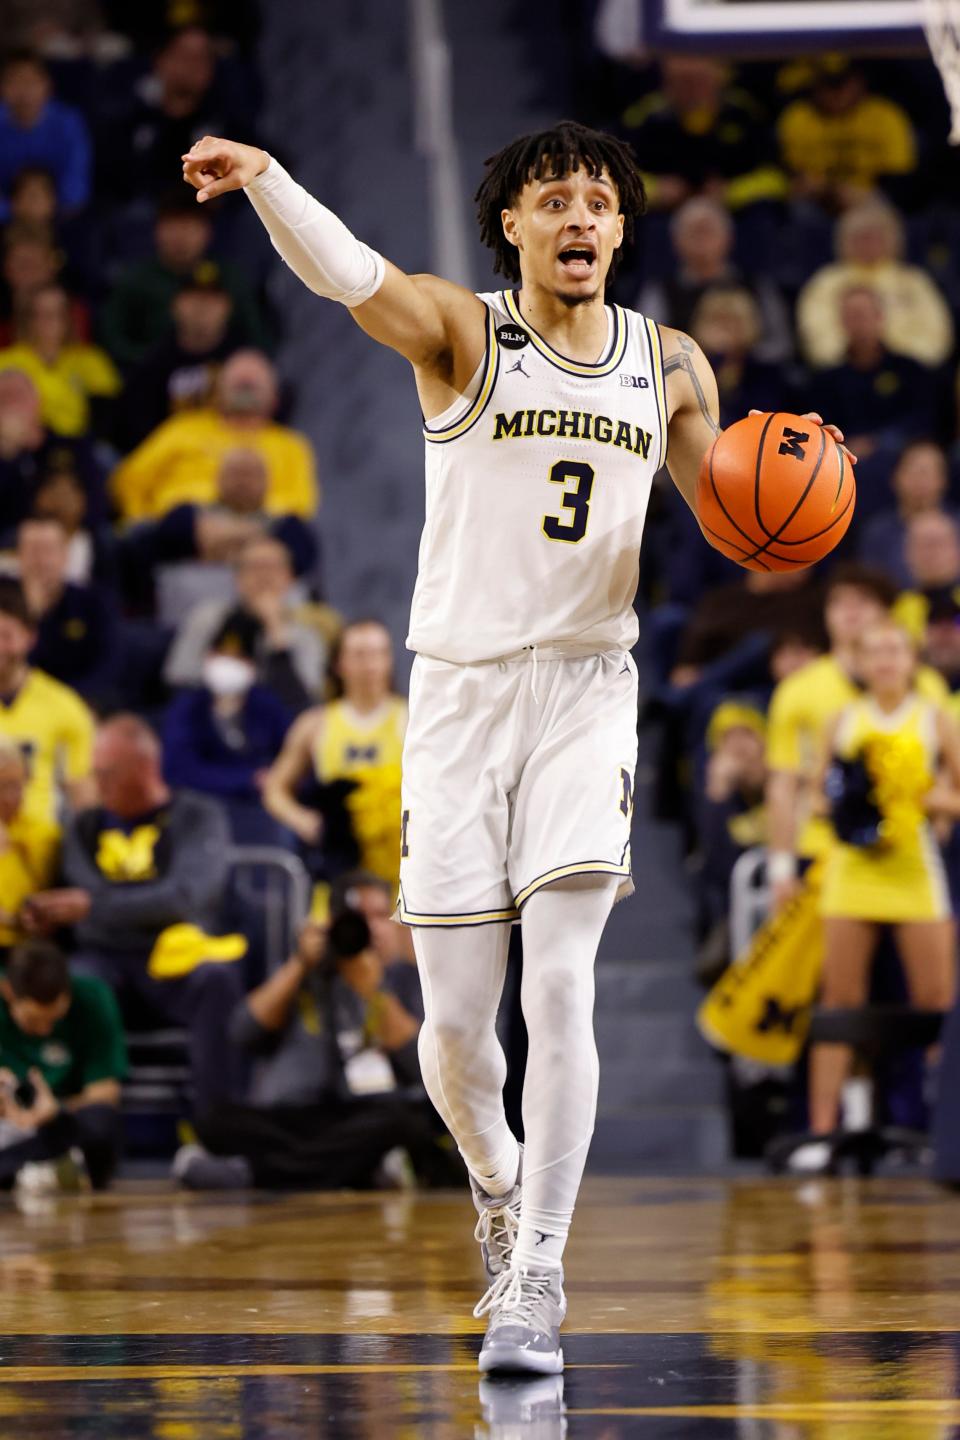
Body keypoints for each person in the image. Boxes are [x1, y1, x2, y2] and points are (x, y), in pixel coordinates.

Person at [181, 119, 850, 1374]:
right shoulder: (462, 333)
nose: (582, 218)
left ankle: (539, 1271)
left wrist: (783, 494)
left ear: (621, 228)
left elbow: (726, 517)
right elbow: (352, 275)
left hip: (587, 688)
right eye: (557, 202)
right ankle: (496, 1183)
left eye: (600, 201)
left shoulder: (673, 364)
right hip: (457, 696)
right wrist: (272, 179)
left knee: (560, 985)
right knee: (453, 1034)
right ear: (515, 226)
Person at [21, 714, 245, 1116]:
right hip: (103, 958)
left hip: (175, 956)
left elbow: (187, 898)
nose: (97, 784)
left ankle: (221, 1124)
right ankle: (72, 1126)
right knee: (72, 982)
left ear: (145, 768)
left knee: (217, 980)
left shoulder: (197, 815)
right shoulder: (83, 825)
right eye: (94, 772)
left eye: (107, 773)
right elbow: (80, 891)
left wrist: (97, 907)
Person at [799, 621, 960, 1170]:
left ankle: (946, 1134)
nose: (887, 660)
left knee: (939, 1003)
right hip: (854, 869)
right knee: (839, 1003)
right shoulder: (843, 719)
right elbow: (818, 798)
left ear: (911, 659)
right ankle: (823, 1136)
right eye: (877, 651)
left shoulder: (936, 719)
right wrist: (852, 804)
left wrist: (922, 796)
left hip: (915, 868)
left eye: (896, 650)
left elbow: (956, 797)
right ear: (861, 661)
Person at [182, 912, 461, 1191]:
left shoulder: (401, 976)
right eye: (357, 920)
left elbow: (423, 1066)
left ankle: (248, 1174)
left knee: (404, 1121)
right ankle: (364, 1170)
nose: (369, 929)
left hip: (360, 1113)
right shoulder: (301, 972)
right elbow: (242, 1032)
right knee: (215, 1119)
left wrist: (374, 991)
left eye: (379, 915)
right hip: (292, 1116)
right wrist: (300, 964)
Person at [765, 565, 947, 913]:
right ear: (826, 614)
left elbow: (946, 772)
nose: (849, 611)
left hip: (911, 851)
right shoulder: (798, 690)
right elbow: (784, 784)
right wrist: (781, 869)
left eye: (862, 601)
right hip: (823, 850)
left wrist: (936, 822)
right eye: (838, 603)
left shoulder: (927, 686)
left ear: (886, 613)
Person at [262, 619, 407, 892]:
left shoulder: (411, 719)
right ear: (339, 664)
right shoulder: (315, 724)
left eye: (378, 653)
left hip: (398, 869)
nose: (370, 665)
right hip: (341, 869)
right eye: (359, 655)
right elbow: (275, 788)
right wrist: (305, 821)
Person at [110, 349, 317, 520]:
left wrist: (241, 516)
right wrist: (142, 522)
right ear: (217, 393)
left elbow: (299, 505)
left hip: (259, 536)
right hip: (183, 533)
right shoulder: (184, 429)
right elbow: (129, 481)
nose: (245, 391)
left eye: (252, 386)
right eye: (238, 385)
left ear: (274, 397)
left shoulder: (290, 446)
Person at [116, 446, 317, 611]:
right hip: (190, 602)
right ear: (218, 477)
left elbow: (299, 559)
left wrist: (214, 539)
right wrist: (258, 537)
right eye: (235, 473)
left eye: (251, 475)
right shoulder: (188, 511)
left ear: (268, 481)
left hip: (263, 607)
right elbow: (170, 537)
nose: (243, 481)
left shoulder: (287, 521)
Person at [0, 939, 125, 1190]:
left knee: (101, 1122)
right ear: (8, 992)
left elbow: (106, 1092)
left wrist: (56, 1108)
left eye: (54, 1020)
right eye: (33, 1021)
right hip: (8, 1125)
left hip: (63, 1118)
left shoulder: (92, 997)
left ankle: (44, 1169)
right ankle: (35, 1170)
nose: (45, 1030)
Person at [98, 189, 268, 371]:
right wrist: (155, 365)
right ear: (156, 230)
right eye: (172, 226)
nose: (180, 237)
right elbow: (112, 341)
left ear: (207, 231)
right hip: (152, 379)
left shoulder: (229, 278)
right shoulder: (135, 280)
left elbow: (257, 340)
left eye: (189, 226)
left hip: (222, 378)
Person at [161, 613, 292, 835]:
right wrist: (249, 779)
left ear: (252, 666)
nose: (227, 663)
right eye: (220, 654)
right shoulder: (187, 708)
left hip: (262, 811)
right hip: (201, 813)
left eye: (238, 658)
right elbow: (178, 770)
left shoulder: (267, 705)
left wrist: (277, 778)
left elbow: (294, 756)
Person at [163, 534, 325, 710]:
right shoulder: (208, 617)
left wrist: (276, 631)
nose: (263, 576)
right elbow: (180, 682)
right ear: (237, 578)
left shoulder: (307, 634)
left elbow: (301, 702)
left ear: (289, 578)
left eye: (272, 567)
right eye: (254, 567)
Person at [797, 201, 953, 370]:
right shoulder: (826, 281)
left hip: (911, 373)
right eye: (861, 237)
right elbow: (816, 334)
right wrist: (852, 360)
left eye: (876, 237)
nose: (868, 243)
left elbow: (937, 332)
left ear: (892, 240)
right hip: (846, 372)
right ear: (845, 241)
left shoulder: (913, 280)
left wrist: (909, 364)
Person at [621, 56, 785, 215]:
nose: (691, 91)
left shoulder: (744, 114)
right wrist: (658, 190)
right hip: (664, 214)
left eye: (699, 81)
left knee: (763, 212)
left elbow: (776, 178)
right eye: (681, 82)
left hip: (734, 214)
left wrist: (730, 192)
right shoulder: (646, 119)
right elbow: (614, 176)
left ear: (718, 79)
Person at [637, 197, 792, 362]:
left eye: (708, 232)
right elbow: (647, 348)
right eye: (694, 233)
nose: (702, 242)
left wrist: (740, 355)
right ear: (676, 241)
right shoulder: (662, 291)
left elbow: (781, 345)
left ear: (728, 237)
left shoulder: (755, 287)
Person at [805, 287, 940, 465]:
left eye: (863, 315)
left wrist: (878, 442)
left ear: (880, 317)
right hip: (844, 459)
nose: (859, 323)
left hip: (900, 457)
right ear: (842, 322)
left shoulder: (910, 370)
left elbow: (922, 420)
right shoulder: (826, 379)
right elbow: (821, 428)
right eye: (852, 316)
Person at [0, 579, 95, 826]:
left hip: (43, 848)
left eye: (6, 636)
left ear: (30, 637)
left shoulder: (65, 707)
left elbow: (83, 795)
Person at [118, 273, 242, 449]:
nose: (202, 307)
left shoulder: (245, 362)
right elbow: (137, 429)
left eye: (211, 299)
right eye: (193, 298)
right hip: (171, 460)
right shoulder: (153, 364)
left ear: (227, 307)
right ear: (175, 305)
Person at [778, 59, 917, 213]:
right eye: (828, 84)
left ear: (859, 81)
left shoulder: (884, 115)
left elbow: (900, 180)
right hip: (818, 204)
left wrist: (862, 194)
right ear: (815, 85)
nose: (836, 94)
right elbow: (792, 175)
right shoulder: (799, 117)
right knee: (800, 211)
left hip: (869, 199)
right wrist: (826, 189)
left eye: (842, 83)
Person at [13, 516, 117, 701]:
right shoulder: (5, 605)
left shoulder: (94, 603)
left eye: (48, 551)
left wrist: (63, 703)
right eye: (33, 551)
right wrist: (32, 614)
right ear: (18, 556)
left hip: (80, 704)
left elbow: (108, 668)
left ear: (65, 556)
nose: (41, 561)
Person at [0, 283, 121, 438]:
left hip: (82, 446)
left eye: (59, 313)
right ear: (28, 318)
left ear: (70, 318)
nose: (52, 321)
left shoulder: (91, 360)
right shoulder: (6, 361)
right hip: (25, 447)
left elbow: (110, 415)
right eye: (43, 314)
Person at [0, 367, 108, 532]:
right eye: (5, 400)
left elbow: (98, 505)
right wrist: (8, 453)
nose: (15, 407)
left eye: (20, 396)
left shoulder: (70, 445)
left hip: (71, 536)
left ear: (37, 401)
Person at [0, 51, 92, 220]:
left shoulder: (68, 122)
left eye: (30, 82)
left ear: (47, 85)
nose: (24, 91)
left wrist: (46, 209)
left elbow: (76, 183)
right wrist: (14, 211)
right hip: (8, 216)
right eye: (14, 82)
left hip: (57, 214)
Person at [858, 441, 954, 590]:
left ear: (944, 480)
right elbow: (872, 588)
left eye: (928, 472)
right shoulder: (877, 531)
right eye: (914, 471)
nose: (921, 480)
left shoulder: (956, 524)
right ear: (895, 477)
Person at [0, 739, 60, 960]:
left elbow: (24, 909)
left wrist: (6, 852)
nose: (13, 796)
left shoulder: (42, 834)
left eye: (17, 785)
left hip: (22, 949)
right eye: (3, 786)